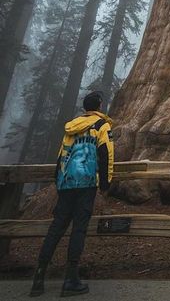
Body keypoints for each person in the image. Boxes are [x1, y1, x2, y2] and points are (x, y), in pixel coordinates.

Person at [29, 91, 114, 297]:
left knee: (57, 227)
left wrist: (59, 181)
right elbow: (106, 154)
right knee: (79, 229)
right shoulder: (102, 125)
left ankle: (39, 277)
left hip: (66, 183)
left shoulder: (71, 127)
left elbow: (62, 155)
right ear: (99, 106)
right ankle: (70, 279)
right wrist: (105, 182)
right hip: (86, 184)